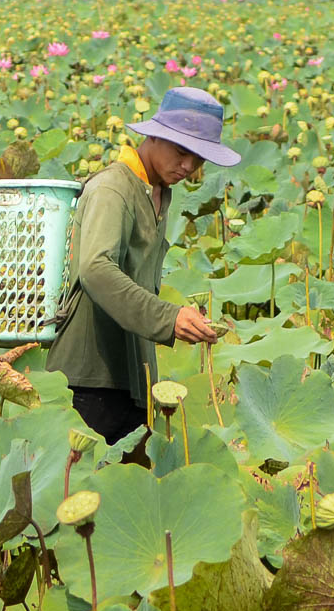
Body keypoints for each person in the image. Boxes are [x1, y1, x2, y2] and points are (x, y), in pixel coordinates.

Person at [48, 86, 241, 443]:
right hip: (90, 378)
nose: (189, 167)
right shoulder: (113, 188)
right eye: (182, 152)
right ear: (154, 135)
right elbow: (95, 268)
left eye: (198, 159)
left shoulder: (158, 191)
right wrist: (169, 318)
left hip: (133, 377)